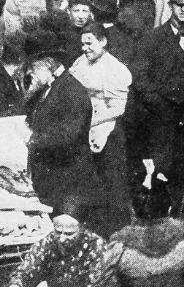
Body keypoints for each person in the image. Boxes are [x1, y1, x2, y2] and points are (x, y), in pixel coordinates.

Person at [127, 0, 184, 219]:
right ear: (171, 6)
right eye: (178, 5)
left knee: (183, 164)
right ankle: (155, 215)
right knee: (160, 164)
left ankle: (177, 214)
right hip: (160, 115)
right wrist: (157, 102)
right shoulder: (153, 38)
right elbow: (138, 76)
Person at [71, 21, 136, 240]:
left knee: (112, 185)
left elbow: (118, 107)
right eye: (82, 44)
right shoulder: (81, 62)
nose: (85, 48)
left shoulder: (115, 69)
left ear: (103, 41)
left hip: (107, 131)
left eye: (90, 43)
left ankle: (115, 235)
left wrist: (90, 121)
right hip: (83, 128)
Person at [27, 34, 98, 219]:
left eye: (33, 67)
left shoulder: (73, 92)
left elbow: (68, 137)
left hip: (70, 185)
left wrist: (32, 140)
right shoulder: (51, 87)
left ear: (48, 65)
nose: (30, 73)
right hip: (54, 180)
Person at [12, 212, 122, 287]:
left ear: (82, 229)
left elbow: (98, 282)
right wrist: (16, 284)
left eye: (69, 234)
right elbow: (26, 270)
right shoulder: (50, 240)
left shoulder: (97, 246)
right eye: (58, 232)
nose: (62, 238)